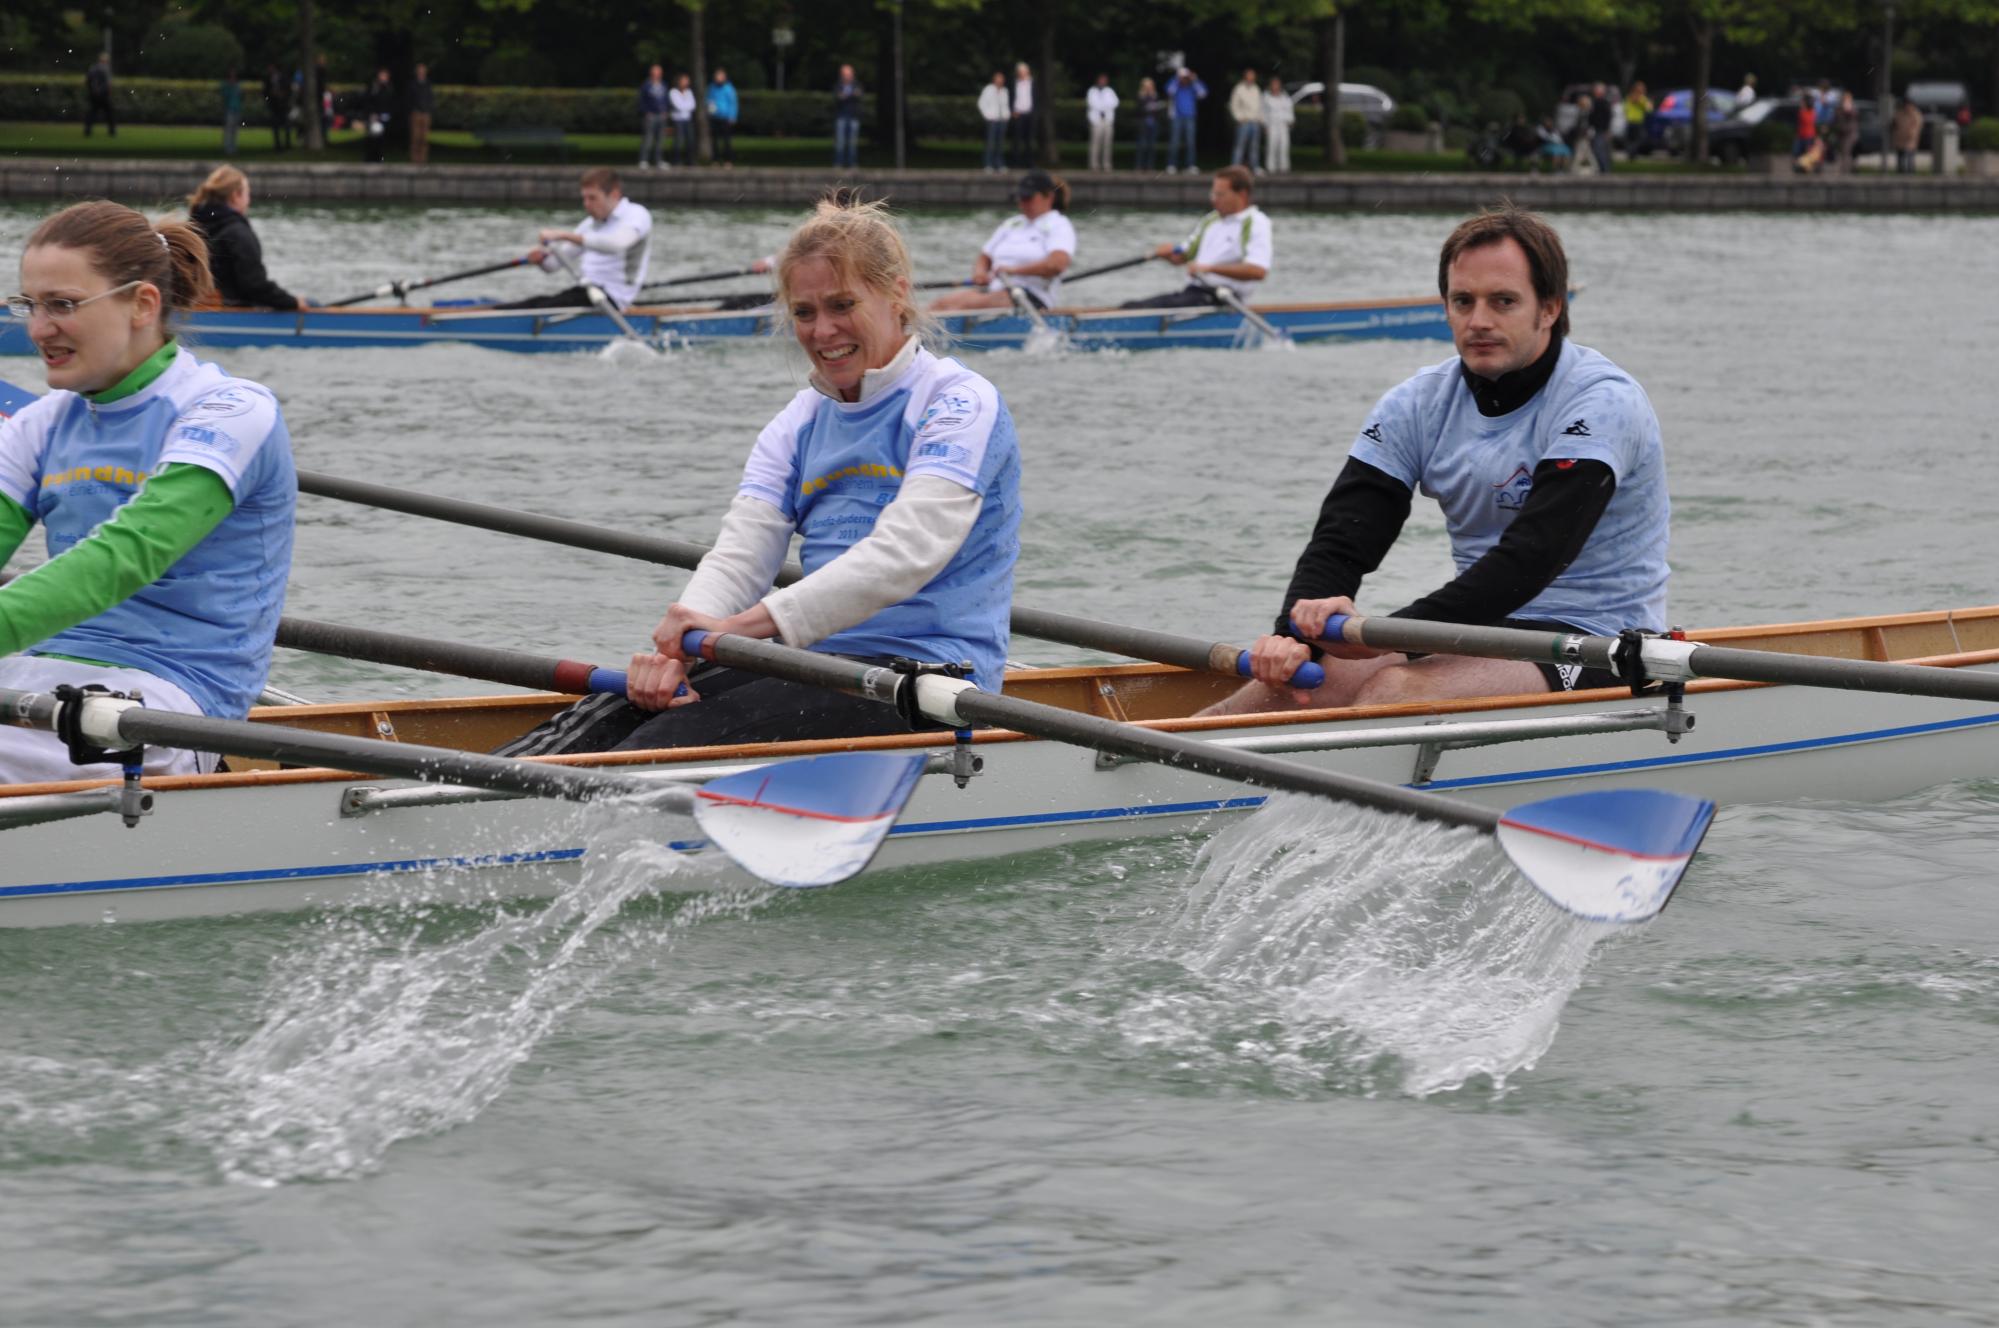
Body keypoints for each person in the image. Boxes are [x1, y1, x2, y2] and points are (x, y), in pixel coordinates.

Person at [495, 198, 1022, 758]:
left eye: (842, 305)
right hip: (812, 663)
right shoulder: (798, 421)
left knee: (659, 746)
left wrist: (751, 627)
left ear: (896, 293)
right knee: (608, 717)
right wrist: (685, 640)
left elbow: (908, 550)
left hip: (932, 678)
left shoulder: (959, 403)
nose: (823, 331)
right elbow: (742, 555)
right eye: (804, 312)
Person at [1204, 205, 1668, 717]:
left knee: (1395, 691)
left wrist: (1380, 639)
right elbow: (1345, 537)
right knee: (1286, 689)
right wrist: (1297, 635)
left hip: (1599, 641)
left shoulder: (1601, 402)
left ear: (1550, 308)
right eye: (1463, 301)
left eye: (1504, 301)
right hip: (1480, 629)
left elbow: (1530, 559)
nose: (1479, 321)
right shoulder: (1418, 402)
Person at [0, 200, 296, 783]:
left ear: (142, 304)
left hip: (168, 704)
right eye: (29, 305)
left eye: (62, 305)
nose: (37, 328)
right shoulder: (43, 422)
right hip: (36, 683)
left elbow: (124, 557)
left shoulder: (231, 412)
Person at [494, 168, 653, 310]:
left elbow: (616, 245)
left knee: (543, 306)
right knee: (534, 303)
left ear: (614, 195)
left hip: (612, 299)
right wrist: (540, 258)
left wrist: (563, 235)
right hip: (588, 293)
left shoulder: (637, 215)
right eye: (584, 198)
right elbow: (553, 265)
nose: (586, 204)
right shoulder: (590, 224)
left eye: (592, 198)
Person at [1120, 165, 1271, 309]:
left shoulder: (1256, 222)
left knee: (1134, 309)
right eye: (1213, 193)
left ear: (1242, 194)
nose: (1214, 199)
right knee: (1129, 306)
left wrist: (1210, 268)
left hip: (1225, 299)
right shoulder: (1210, 220)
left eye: (1220, 194)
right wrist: (1168, 253)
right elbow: (1183, 256)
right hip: (1194, 293)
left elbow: (1258, 271)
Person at [928, 171, 1075, 313]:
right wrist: (980, 273)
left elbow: (1057, 264)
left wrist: (1013, 270)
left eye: (1028, 198)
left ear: (1048, 197)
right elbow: (985, 257)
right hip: (996, 290)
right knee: (940, 305)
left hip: (1031, 297)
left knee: (966, 305)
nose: (1022, 203)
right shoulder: (1012, 224)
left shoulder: (1059, 224)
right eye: (1020, 198)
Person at [186, 166, 305, 310]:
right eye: (248, 193)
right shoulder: (238, 233)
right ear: (236, 195)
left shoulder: (192, 228)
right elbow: (255, 285)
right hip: (235, 308)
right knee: (312, 303)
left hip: (200, 307)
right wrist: (293, 302)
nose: (249, 200)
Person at [1167, 67, 1207, 173]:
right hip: (1177, 117)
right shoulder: (1176, 86)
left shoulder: (1192, 87)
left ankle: (1190, 165)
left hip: (1190, 117)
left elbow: (1202, 93)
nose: (1184, 79)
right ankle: (1172, 165)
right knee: (1174, 142)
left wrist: (1195, 80)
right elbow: (1169, 91)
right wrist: (1177, 79)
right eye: (1182, 77)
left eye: (1186, 77)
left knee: (1190, 142)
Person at [1230, 68, 1264, 171]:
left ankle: (1255, 167)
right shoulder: (1239, 89)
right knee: (1240, 146)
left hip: (1255, 122)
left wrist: (1260, 120)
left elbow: (1260, 106)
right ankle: (1235, 167)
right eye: (1249, 76)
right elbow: (1233, 105)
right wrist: (1239, 118)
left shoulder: (1256, 89)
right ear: (1245, 77)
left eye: (1253, 76)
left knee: (1254, 147)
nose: (1251, 78)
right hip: (1244, 122)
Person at [638, 64, 669, 169]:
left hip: (661, 115)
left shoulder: (663, 85)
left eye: (659, 72)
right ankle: (643, 160)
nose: (657, 74)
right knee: (648, 138)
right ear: (651, 73)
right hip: (650, 116)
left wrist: (665, 111)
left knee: (660, 140)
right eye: (655, 72)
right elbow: (641, 101)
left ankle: (658, 160)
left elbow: (666, 100)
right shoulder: (646, 85)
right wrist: (646, 112)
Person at [978, 72, 1010, 172]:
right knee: (990, 143)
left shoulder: (1005, 91)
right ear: (994, 79)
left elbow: (1006, 105)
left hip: (1002, 120)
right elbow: (981, 103)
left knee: (1000, 143)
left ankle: (999, 164)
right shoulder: (988, 89)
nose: (1000, 81)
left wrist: (1006, 115)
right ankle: (988, 164)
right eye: (998, 79)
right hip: (992, 120)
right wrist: (987, 115)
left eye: (1001, 79)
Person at [833, 65, 864, 169]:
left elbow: (859, 95)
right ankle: (839, 163)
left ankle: (852, 163)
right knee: (840, 142)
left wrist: (846, 96)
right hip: (841, 116)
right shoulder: (838, 85)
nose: (847, 76)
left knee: (852, 142)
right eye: (845, 74)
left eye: (848, 74)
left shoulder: (857, 84)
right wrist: (851, 95)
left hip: (853, 116)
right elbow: (838, 97)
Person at [1086, 74, 1118, 172]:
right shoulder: (1092, 91)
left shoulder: (1109, 91)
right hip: (1096, 121)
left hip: (1107, 120)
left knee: (1107, 144)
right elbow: (1092, 104)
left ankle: (1106, 164)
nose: (1102, 82)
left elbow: (1115, 102)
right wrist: (1104, 105)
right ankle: (1094, 164)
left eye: (1104, 80)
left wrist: (1103, 106)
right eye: (1101, 80)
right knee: (1095, 143)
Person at [1262, 76, 1294, 174]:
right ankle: (1271, 167)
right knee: (1272, 146)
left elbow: (1289, 110)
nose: (1275, 86)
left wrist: (1290, 120)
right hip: (1271, 124)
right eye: (1273, 84)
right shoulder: (1266, 97)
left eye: (1277, 84)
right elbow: (1263, 112)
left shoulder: (1285, 97)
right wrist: (1264, 125)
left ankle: (1283, 167)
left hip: (1283, 125)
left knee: (1284, 146)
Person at [709, 68, 739, 167]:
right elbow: (709, 100)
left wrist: (732, 116)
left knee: (727, 140)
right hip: (715, 117)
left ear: (724, 77)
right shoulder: (712, 88)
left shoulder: (729, 88)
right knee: (715, 141)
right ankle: (715, 160)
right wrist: (710, 109)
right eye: (717, 76)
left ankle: (728, 160)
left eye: (720, 76)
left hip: (726, 117)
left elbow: (733, 103)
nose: (718, 78)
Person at [362, 68, 392, 164]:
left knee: (381, 140)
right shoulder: (373, 88)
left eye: (385, 76)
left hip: (384, 117)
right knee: (372, 139)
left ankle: (379, 159)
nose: (383, 78)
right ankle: (369, 159)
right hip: (373, 117)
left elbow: (390, 103)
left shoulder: (389, 88)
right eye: (382, 75)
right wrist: (372, 114)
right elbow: (368, 102)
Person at [1134, 77, 1165, 171]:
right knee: (1141, 145)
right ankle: (1139, 166)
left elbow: (1160, 110)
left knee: (1152, 145)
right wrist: (1147, 108)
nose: (1148, 88)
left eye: (1150, 86)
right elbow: (1137, 111)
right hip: (1143, 123)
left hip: (1153, 123)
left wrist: (1155, 108)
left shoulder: (1155, 96)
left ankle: (1150, 166)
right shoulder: (1140, 96)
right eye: (1146, 86)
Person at [668, 73, 697, 168]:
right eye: (684, 80)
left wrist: (684, 106)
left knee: (690, 140)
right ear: (679, 81)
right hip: (678, 120)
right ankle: (675, 161)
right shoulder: (673, 92)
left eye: (687, 81)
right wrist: (686, 106)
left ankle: (690, 161)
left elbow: (693, 105)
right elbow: (678, 105)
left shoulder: (689, 92)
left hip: (687, 119)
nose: (686, 82)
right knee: (678, 141)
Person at [409, 62, 435, 165]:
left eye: (423, 70)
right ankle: (414, 160)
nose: (421, 72)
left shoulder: (428, 84)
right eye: (420, 70)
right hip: (416, 113)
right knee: (415, 138)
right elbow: (409, 99)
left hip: (426, 114)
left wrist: (429, 110)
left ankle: (423, 160)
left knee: (424, 138)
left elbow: (430, 98)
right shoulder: (413, 84)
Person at [1010, 63, 1035, 167]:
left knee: (1029, 140)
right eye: (1020, 72)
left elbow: (1037, 98)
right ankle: (1016, 163)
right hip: (1018, 114)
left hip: (1029, 114)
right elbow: (1010, 98)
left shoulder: (1033, 83)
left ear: (1028, 72)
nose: (1022, 74)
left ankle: (1029, 163)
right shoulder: (1014, 83)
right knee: (1016, 139)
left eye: (1024, 71)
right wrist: (1012, 110)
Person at [263, 63, 293, 151]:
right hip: (274, 105)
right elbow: (265, 93)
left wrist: (282, 95)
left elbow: (288, 90)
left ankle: (287, 144)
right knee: (275, 126)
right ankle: (278, 146)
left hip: (283, 105)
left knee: (286, 125)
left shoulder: (283, 77)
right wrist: (270, 96)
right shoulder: (268, 79)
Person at [84, 53, 115, 138]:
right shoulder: (106, 68)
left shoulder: (93, 68)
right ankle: (112, 131)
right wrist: (109, 93)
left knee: (92, 112)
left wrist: (91, 91)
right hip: (104, 94)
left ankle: (87, 130)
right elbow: (109, 83)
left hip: (94, 94)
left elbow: (87, 81)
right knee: (109, 113)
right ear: (105, 61)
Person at [1892, 96, 1922, 174]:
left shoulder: (1915, 114)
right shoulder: (1899, 113)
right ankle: (1901, 172)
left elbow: (1917, 126)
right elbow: (1895, 124)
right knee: (1900, 158)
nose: (1907, 106)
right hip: (1899, 140)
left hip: (1910, 140)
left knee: (1909, 157)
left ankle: (1910, 172)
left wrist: (1911, 134)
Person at [1588, 82, 1613, 173]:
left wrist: (1607, 130)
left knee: (1599, 150)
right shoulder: (1595, 102)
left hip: (1602, 130)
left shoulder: (1603, 103)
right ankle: (1603, 169)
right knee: (1598, 150)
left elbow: (1608, 117)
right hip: (1597, 129)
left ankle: (1605, 170)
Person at [1832, 91, 1859, 174]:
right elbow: (1835, 119)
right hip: (1840, 133)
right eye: (1844, 99)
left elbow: (1854, 117)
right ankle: (1846, 168)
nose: (1845, 101)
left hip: (1850, 134)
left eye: (1847, 99)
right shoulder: (1839, 108)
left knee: (1846, 151)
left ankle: (1845, 170)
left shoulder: (1852, 108)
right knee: (1841, 152)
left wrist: (1848, 110)